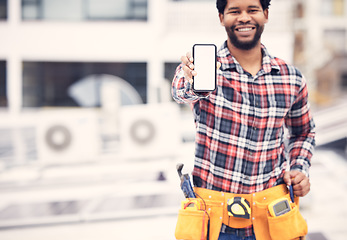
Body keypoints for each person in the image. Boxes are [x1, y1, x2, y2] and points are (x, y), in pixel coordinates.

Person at [172, 0, 315, 239]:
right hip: (214, 220)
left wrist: (300, 169)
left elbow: (304, 132)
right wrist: (191, 81)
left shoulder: (290, 78)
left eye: (252, 10)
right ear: (221, 18)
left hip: (273, 217)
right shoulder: (200, 69)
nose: (244, 18)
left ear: (266, 14)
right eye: (234, 11)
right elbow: (180, 91)